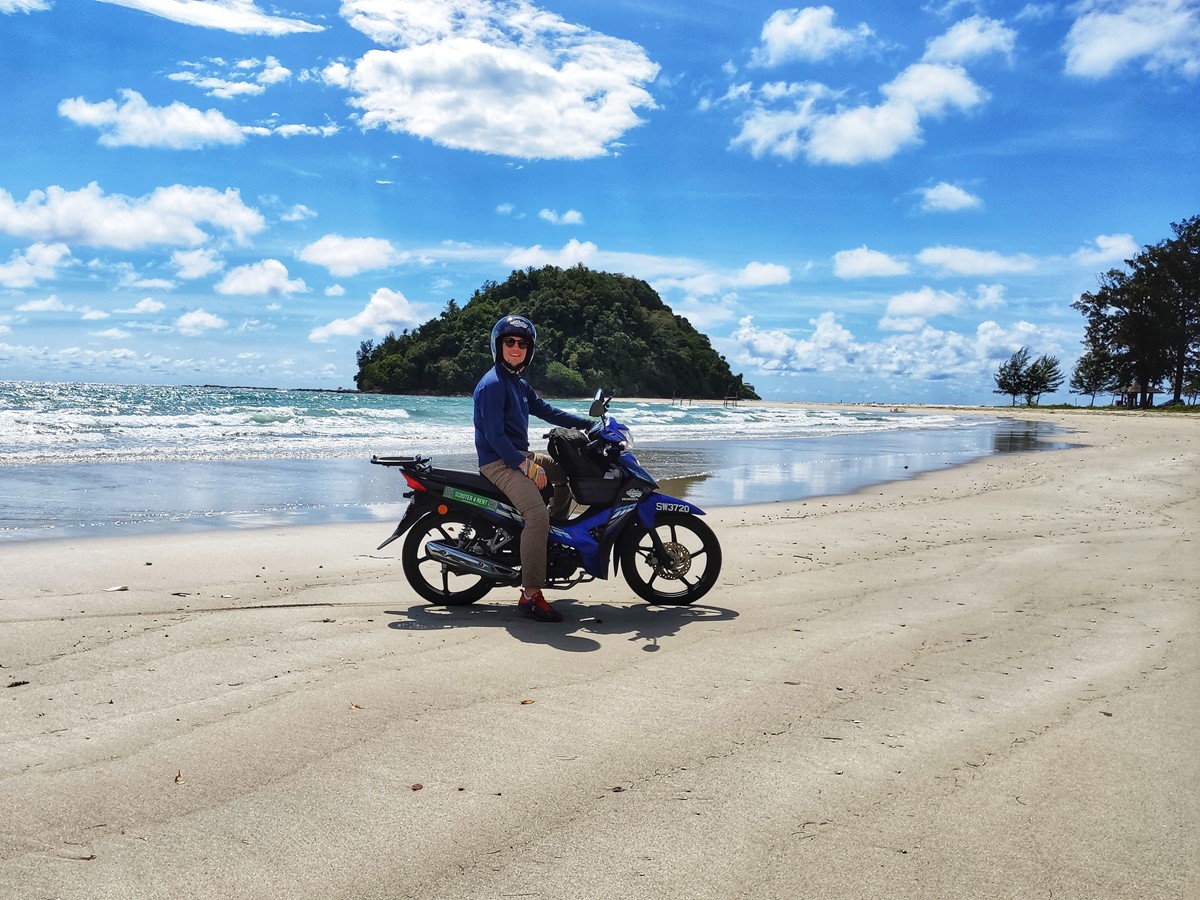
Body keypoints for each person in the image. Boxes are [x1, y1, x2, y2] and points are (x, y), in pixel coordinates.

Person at [473, 314, 592, 623]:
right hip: (499, 462)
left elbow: (547, 411)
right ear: (498, 346)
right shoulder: (492, 385)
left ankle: (550, 536)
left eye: (522, 343)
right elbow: (494, 436)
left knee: (563, 473)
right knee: (536, 515)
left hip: (518, 454)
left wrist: (588, 425)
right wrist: (524, 465)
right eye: (509, 342)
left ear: (530, 350)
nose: (516, 348)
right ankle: (530, 595)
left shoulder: (517, 382)